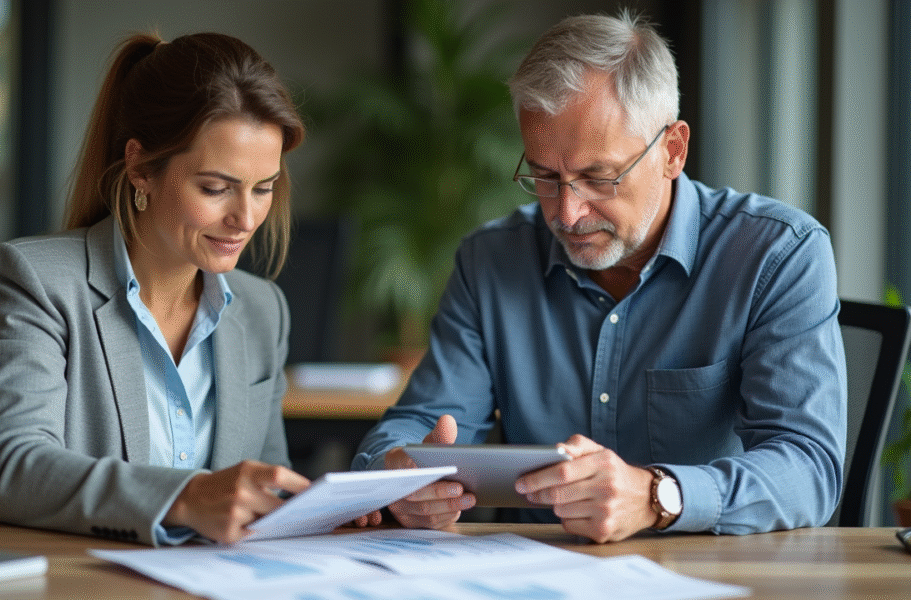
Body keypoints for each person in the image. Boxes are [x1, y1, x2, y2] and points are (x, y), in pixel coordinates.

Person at [353, 11, 846, 543]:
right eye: (544, 177)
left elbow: (809, 467)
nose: (566, 213)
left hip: (711, 570)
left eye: (597, 177)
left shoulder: (776, 254)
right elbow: (420, 425)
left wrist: (658, 494)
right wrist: (394, 473)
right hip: (530, 572)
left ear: (672, 150)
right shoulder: (490, 261)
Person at [0, 32, 358, 546]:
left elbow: (262, 485)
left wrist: (328, 508)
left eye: (264, 188)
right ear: (141, 167)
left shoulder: (262, 309)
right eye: (215, 188)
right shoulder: (32, 279)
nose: (246, 218)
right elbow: (12, 469)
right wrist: (186, 498)